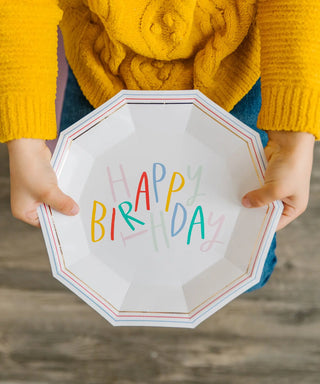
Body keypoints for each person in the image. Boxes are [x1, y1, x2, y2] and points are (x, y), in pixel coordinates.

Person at [1, 1, 318, 289]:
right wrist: (24, 144)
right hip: (100, 64)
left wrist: (293, 138)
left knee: (243, 268)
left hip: (233, 67)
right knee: (101, 255)